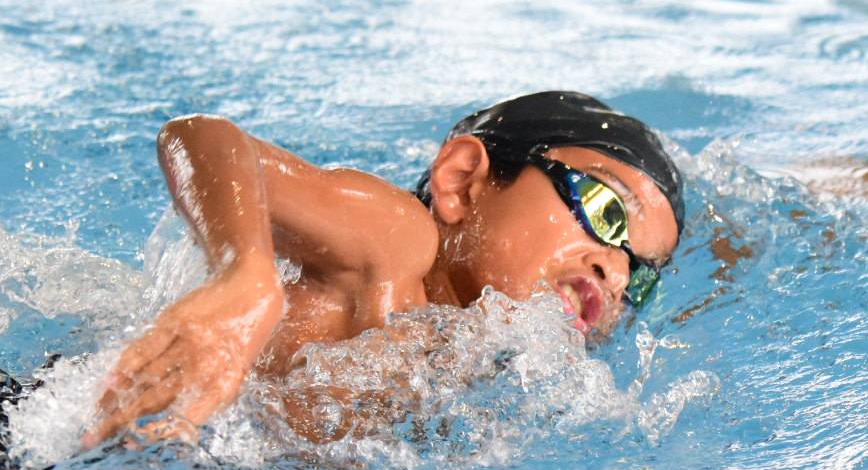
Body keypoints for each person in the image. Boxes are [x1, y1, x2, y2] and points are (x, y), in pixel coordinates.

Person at [85, 90, 687, 447]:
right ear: (462, 181)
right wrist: (243, 274)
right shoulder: (393, 245)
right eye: (606, 211)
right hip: (64, 439)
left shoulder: (488, 369)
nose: (615, 270)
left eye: (641, 275)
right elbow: (203, 139)